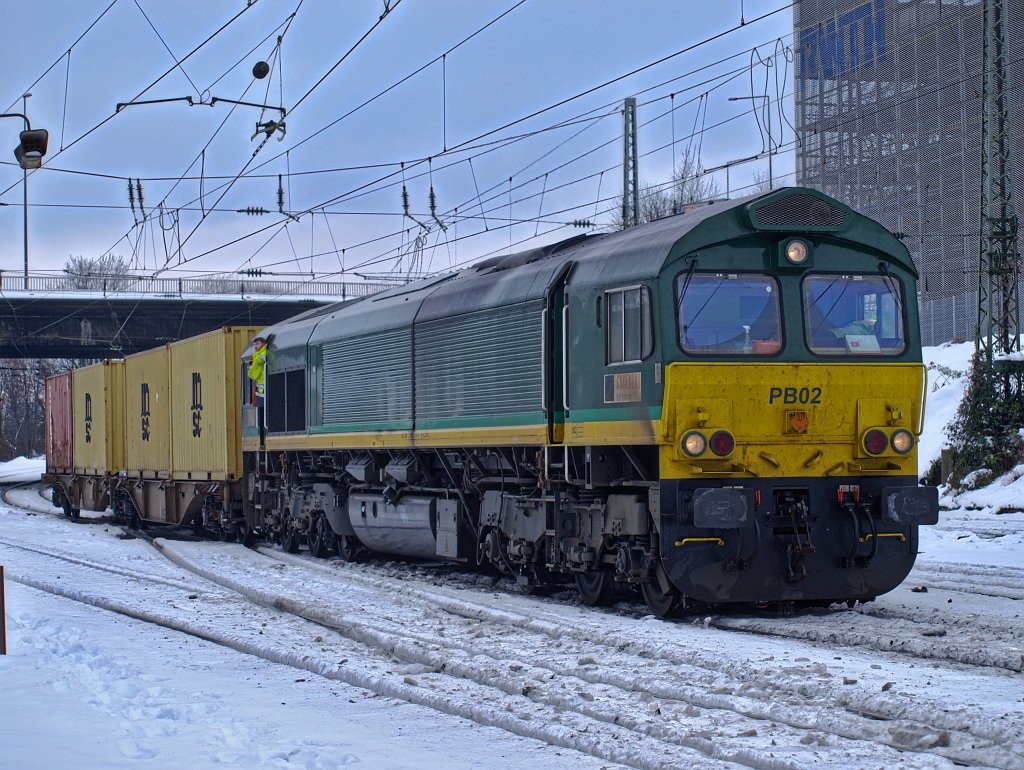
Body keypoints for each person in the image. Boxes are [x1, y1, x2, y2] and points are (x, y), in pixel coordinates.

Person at [249, 335, 268, 402]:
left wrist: (251, 366)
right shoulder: (266, 353)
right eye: (254, 344)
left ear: (264, 344)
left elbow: (253, 375)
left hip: (263, 392)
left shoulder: (260, 357)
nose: (255, 346)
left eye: (258, 343)